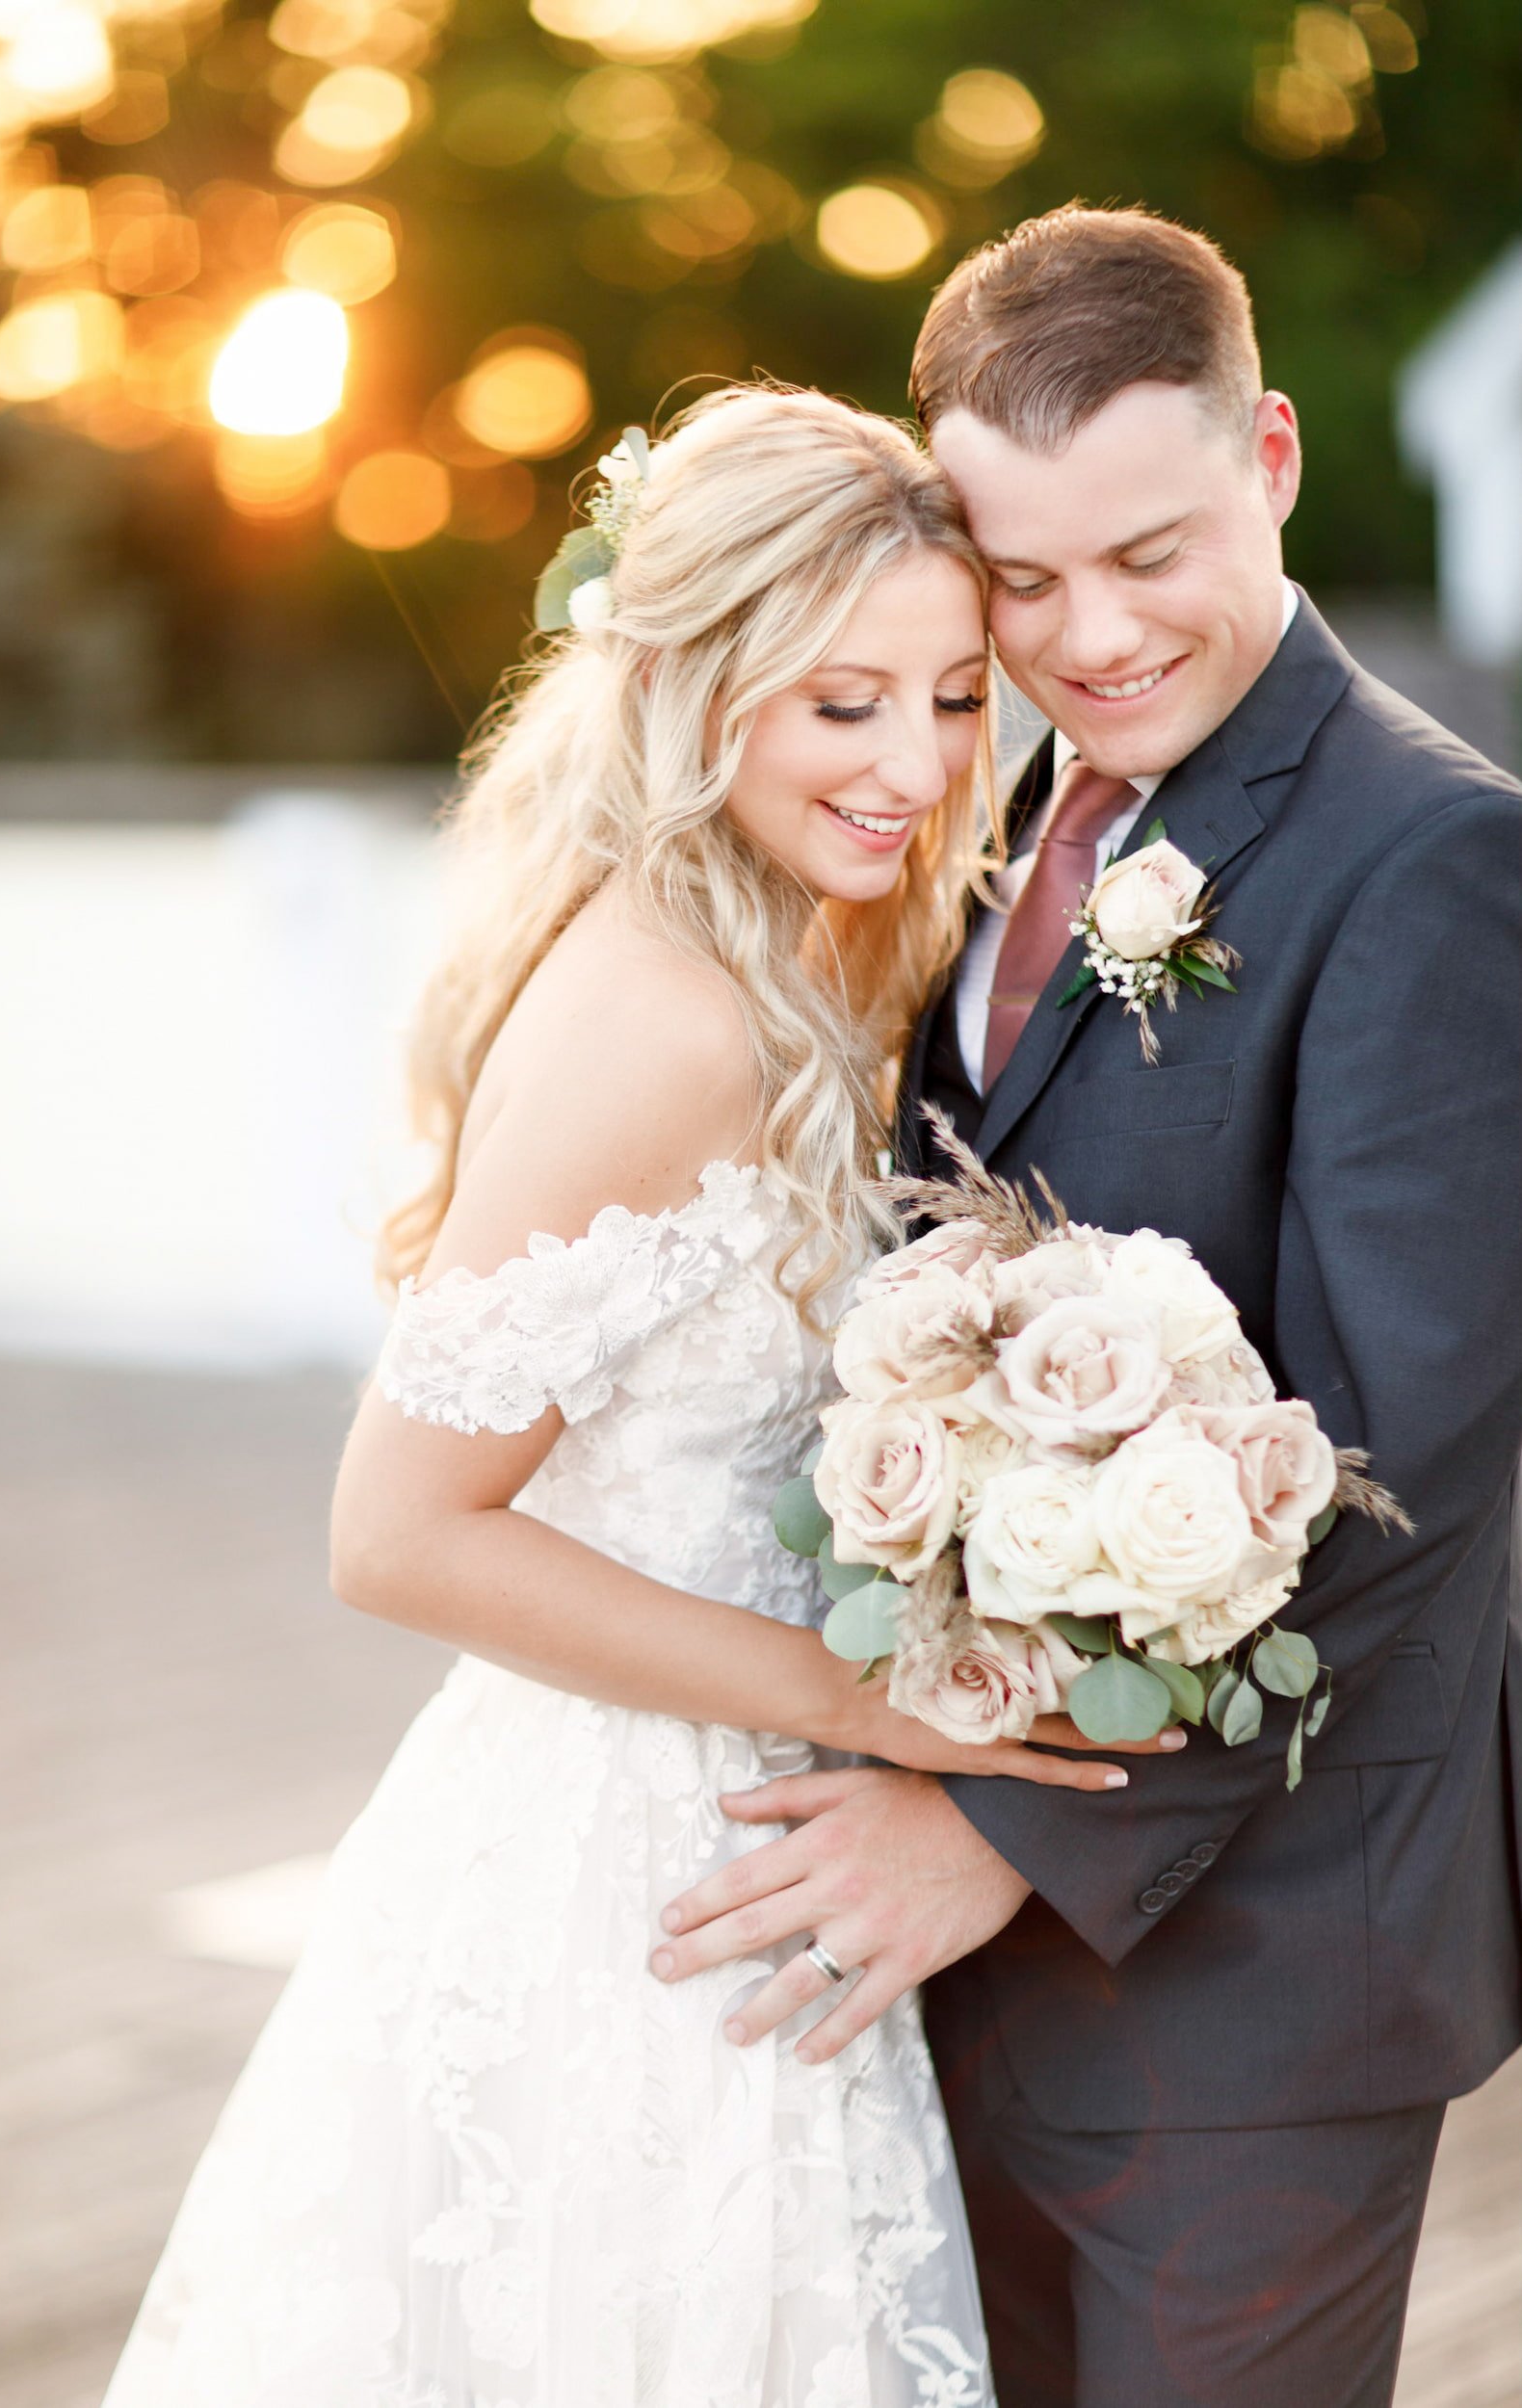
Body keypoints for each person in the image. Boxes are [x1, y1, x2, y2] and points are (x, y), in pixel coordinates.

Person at [98, 384, 1172, 2408]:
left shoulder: (806, 945)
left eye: (955, 697)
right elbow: (398, 1528)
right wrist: (879, 1706)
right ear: (695, 684)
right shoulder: (667, 1013)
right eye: (841, 701)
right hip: (628, 1863)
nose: (919, 762)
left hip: (736, 1824)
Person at [653, 208, 1522, 2407]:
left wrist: (993, 1819)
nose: (1090, 634)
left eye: (1147, 551)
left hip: (1254, 1964)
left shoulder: (1433, 856)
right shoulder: (985, 806)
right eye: (1021, 582)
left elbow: (1398, 1451)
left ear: (1280, 460)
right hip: (958, 1933)